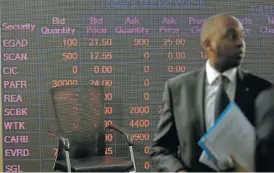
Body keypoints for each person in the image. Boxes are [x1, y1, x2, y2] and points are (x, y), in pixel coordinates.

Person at [150, 13, 272, 172]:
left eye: (242, 36)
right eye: (231, 36)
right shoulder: (178, 89)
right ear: (208, 44)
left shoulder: (263, 91)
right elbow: (161, 149)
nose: (240, 43)